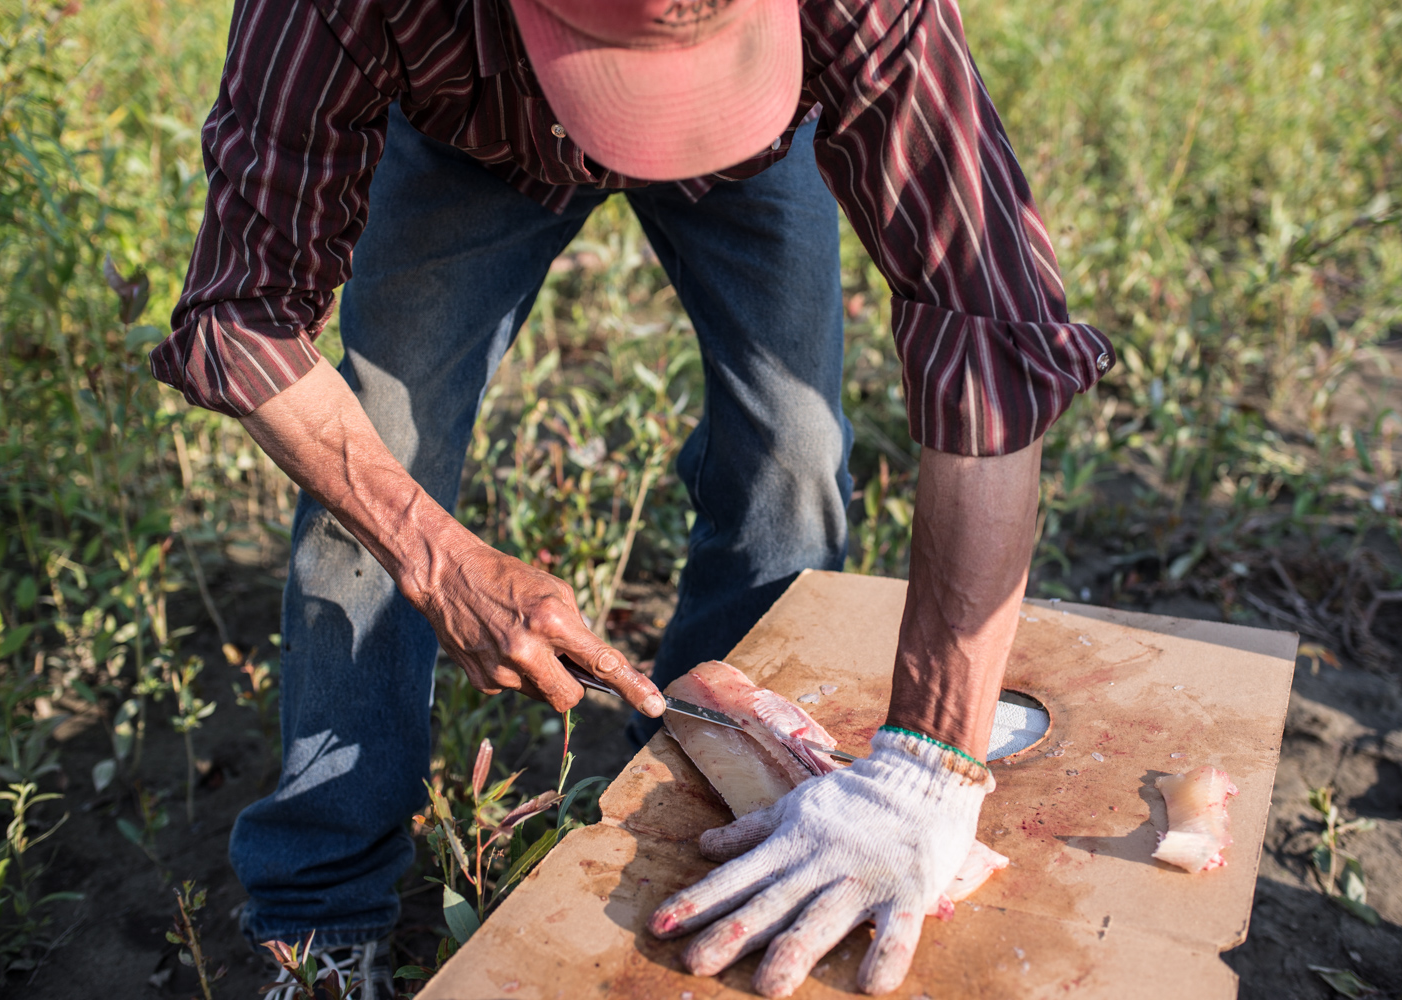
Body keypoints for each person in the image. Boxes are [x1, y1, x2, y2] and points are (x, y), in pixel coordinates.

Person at [151, 0, 1113, 996]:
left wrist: (927, 767)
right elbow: (245, 310)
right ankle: (323, 918)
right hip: (466, 136)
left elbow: (996, 341)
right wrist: (431, 553)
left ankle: (712, 808)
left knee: (793, 453)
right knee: (377, 458)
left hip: (763, 143)